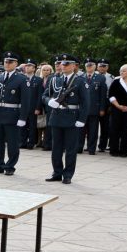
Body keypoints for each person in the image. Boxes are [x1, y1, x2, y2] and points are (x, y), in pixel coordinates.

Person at [45, 54, 90, 184]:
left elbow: (86, 102)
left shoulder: (80, 81)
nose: (62, 66)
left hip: (72, 117)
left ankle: (68, 174)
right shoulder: (54, 79)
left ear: (74, 66)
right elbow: (45, 95)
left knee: (71, 149)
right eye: (61, 64)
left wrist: (82, 119)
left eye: (66, 64)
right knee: (56, 148)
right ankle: (57, 172)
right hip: (57, 116)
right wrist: (49, 101)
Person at [0, 52, 31, 175]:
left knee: (12, 143)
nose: (7, 64)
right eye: (6, 61)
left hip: (13, 114)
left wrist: (23, 117)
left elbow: (25, 101)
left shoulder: (22, 79)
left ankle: (10, 166)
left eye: (10, 62)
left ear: (16, 64)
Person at [107, 64, 127, 157]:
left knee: (126, 130)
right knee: (115, 129)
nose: (121, 73)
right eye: (121, 71)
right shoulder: (116, 82)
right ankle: (114, 150)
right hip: (117, 108)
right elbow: (111, 95)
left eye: (124, 71)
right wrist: (118, 105)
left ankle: (125, 150)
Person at [80, 59, 107, 155]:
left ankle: (91, 149)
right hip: (82, 109)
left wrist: (102, 108)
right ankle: (79, 148)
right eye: (87, 65)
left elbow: (103, 95)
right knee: (80, 130)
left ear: (95, 66)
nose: (89, 67)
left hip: (94, 108)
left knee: (93, 130)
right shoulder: (80, 77)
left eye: (91, 65)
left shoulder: (100, 78)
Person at [20, 59, 42, 149]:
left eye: (29, 66)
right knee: (22, 125)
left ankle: (31, 142)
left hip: (33, 107)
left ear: (34, 68)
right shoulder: (21, 78)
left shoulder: (38, 80)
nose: (27, 67)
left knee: (32, 126)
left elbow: (39, 95)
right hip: (22, 106)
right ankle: (22, 142)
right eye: (26, 66)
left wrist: (38, 107)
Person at [96, 59, 114, 152]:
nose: (102, 68)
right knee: (92, 126)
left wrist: (111, 105)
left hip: (106, 102)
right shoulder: (93, 75)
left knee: (105, 126)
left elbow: (112, 92)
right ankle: (91, 144)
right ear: (97, 66)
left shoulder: (111, 77)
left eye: (104, 66)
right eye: (100, 66)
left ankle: (102, 146)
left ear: (107, 67)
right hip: (94, 102)